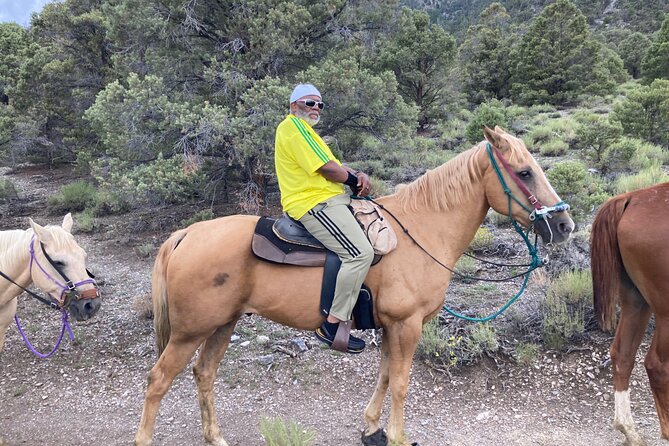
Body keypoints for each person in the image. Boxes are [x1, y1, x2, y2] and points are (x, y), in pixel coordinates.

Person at [274, 83, 374, 354]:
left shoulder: (308, 133)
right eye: (309, 103)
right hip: (313, 203)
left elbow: (334, 165)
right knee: (360, 253)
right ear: (294, 105)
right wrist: (353, 180)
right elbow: (327, 169)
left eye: (320, 104)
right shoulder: (292, 127)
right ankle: (332, 325)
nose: (316, 108)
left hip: (330, 199)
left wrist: (357, 174)